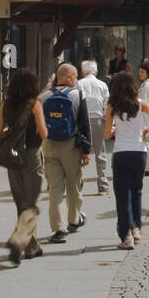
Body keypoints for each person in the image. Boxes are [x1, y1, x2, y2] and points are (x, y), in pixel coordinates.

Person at [104, 71, 149, 248]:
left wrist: (115, 130)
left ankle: (127, 235)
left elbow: (107, 135)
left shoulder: (112, 107)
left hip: (121, 152)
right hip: (139, 151)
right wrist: (145, 130)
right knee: (136, 192)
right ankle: (136, 228)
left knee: (122, 196)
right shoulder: (140, 104)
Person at [0, 67, 48, 263]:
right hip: (31, 155)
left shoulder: (5, 105)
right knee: (32, 202)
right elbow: (44, 133)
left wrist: (11, 129)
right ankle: (17, 242)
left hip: (12, 158)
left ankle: (32, 246)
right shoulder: (35, 104)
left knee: (21, 202)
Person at [40, 63, 92, 245]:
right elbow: (84, 123)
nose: (76, 80)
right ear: (68, 78)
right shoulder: (77, 95)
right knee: (74, 184)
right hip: (71, 145)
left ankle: (58, 229)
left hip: (49, 145)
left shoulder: (43, 97)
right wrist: (87, 150)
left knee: (55, 189)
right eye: (75, 76)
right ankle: (74, 219)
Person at [78, 60, 110, 194]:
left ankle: (77, 182)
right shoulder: (102, 85)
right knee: (100, 152)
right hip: (98, 120)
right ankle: (102, 183)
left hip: (82, 121)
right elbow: (107, 105)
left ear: (82, 72)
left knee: (79, 152)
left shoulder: (78, 84)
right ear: (96, 72)